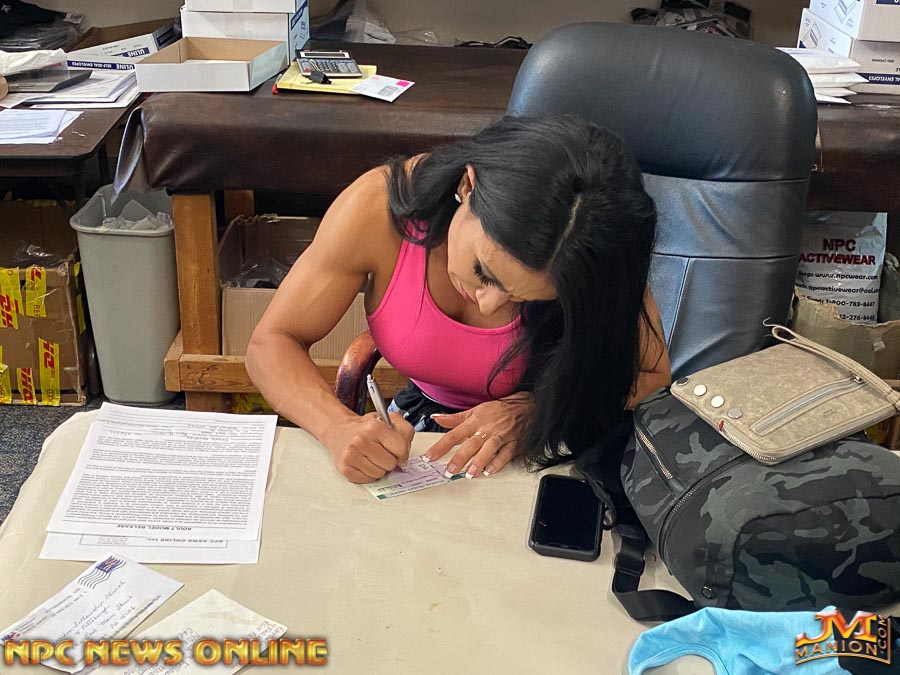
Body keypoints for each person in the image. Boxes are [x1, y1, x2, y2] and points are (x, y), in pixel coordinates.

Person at [245, 115, 671, 484]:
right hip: (426, 430)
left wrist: (536, 410)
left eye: (523, 297)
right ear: (468, 185)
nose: (489, 305)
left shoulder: (591, 247)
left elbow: (651, 376)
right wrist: (337, 426)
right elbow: (272, 342)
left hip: (554, 439)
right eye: (483, 272)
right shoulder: (379, 208)